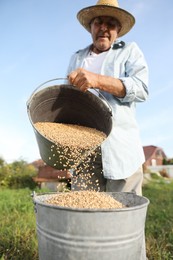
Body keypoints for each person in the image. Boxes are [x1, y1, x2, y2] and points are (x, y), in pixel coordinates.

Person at [67, 0, 149, 196]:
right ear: (90, 27)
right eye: (98, 22)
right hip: (85, 148)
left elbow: (141, 88)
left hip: (120, 148)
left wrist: (97, 80)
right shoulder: (77, 58)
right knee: (86, 213)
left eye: (110, 23)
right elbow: (69, 103)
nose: (103, 28)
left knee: (123, 217)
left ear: (118, 30)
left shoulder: (129, 51)